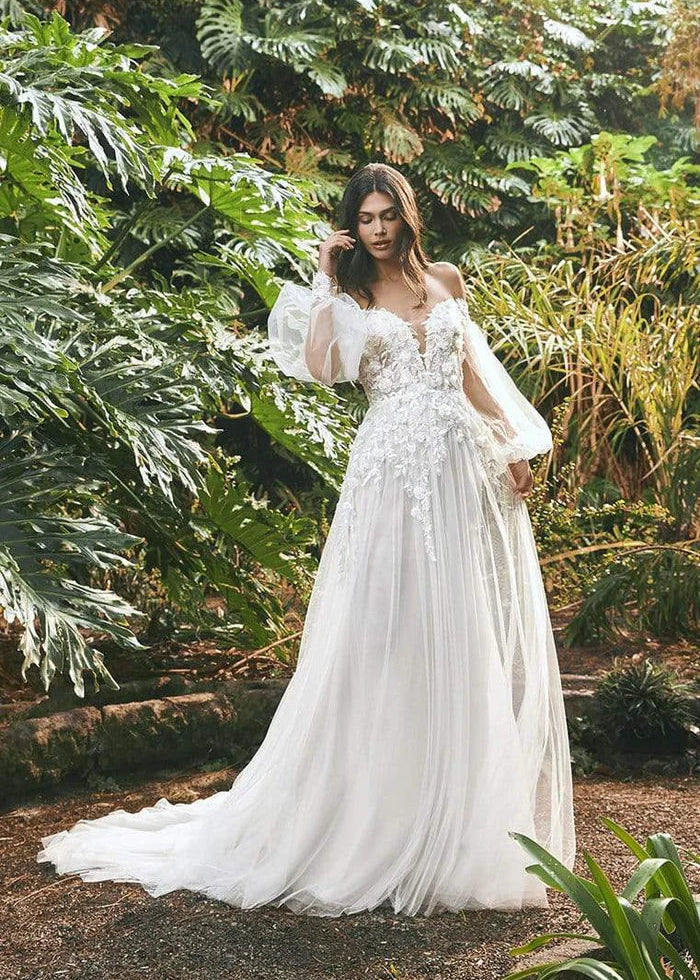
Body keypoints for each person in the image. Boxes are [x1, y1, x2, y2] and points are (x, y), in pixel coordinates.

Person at [37, 162, 575, 917]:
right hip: (391, 476)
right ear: (351, 226)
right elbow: (323, 370)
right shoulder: (352, 294)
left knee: (460, 626)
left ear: (408, 215)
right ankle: (375, 812)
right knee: (383, 634)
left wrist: (511, 444)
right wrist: (326, 278)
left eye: (389, 214)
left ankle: (458, 813)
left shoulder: (448, 280)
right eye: (366, 219)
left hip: (461, 469)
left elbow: (467, 375)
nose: (379, 229)